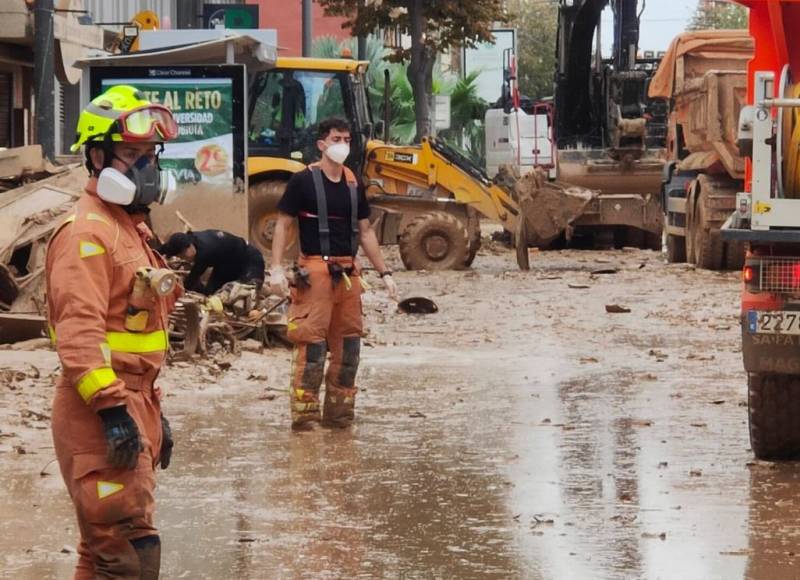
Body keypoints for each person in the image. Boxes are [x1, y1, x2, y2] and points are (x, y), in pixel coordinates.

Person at [46, 85, 182, 579]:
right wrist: (113, 412)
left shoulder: (129, 227)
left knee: (103, 557)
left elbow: (136, 333)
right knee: (128, 558)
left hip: (130, 405)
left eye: (150, 155)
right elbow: (78, 337)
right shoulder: (86, 233)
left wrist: (151, 414)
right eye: (132, 155)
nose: (146, 167)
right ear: (98, 157)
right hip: (98, 415)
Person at [270, 117, 399, 430]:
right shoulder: (303, 181)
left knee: (349, 348)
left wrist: (385, 273)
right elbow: (284, 224)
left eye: (346, 139)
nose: (343, 145)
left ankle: (339, 418)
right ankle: (305, 418)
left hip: (348, 274)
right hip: (315, 270)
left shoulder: (354, 184)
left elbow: (366, 233)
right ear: (321, 144)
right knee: (312, 346)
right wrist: (275, 268)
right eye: (336, 138)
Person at [159, 229, 266, 294]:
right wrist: (155, 252)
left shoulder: (205, 251)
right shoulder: (190, 238)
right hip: (226, 264)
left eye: (183, 254)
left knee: (247, 293)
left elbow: (192, 278)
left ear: (189, 246)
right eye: (180, 256)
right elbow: (167, 247)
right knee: (211, 294)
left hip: (249, 259)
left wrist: (178, 292)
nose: (184, 258)